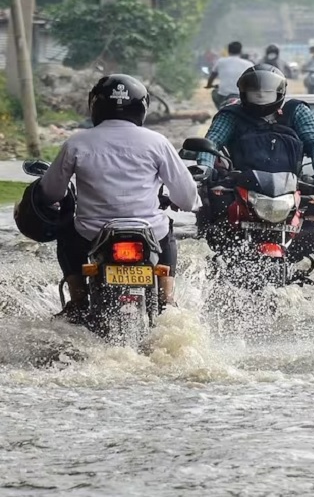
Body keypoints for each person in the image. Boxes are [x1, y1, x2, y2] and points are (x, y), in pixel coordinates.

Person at [37, 74, 200, 322]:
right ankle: (167, 300)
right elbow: (187, 198)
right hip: (148, 232)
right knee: (166, 228)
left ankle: (78, 300)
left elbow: (50, 192)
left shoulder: (77, 142)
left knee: (67, 232)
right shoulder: (157, 142)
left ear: (96, 106)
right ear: (142, 107)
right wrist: (175, 200)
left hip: (92, 232)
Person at [197, 64, 314, 233]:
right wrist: (204, 168)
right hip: (242, 181)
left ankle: (311, 225)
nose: (260, 98)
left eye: (266, 94)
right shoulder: (231, 115)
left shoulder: (296, 111)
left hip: (290, 182)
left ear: (279, 93)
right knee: (209, 185)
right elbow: (212, 142)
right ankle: (212, 230)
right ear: (244, 93)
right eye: (255, 94)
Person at [205, 41, 253, 109]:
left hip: (224, 95)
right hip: (241, 94)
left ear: (228, 50)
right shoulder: (249, 64)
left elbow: (212, 75)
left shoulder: (220, 61)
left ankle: (220, 110)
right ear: (240, 51)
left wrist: (209, 85)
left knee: (214, 92)